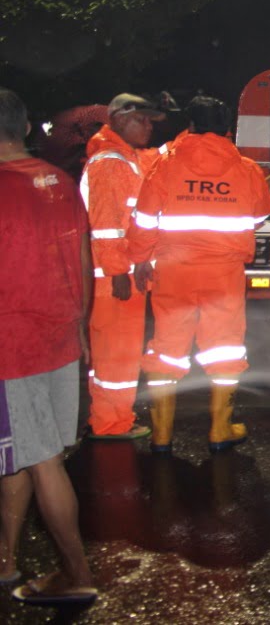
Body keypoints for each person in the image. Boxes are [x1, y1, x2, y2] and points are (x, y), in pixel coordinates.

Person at [127, 96, 270, 454]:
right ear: (228, 130)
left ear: (190, 126)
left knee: (166, 349)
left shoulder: (165, 166)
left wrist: (140, 260)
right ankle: (220, 430)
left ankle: (162, 436)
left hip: (173, 271)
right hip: (224, 273)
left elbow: (144, 219)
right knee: (224, 348)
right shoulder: (246, 169)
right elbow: (261, 214)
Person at [0, 87, 98, 606]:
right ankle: (7, 560)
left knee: (42, 461)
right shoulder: (58, 181)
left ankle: (76, 574)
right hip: (58, 335)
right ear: (22, 127)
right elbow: (82, 257)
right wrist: (81, 326)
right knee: (26, 451)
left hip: (13, 345)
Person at [81, 94, 167, 440]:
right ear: (117, 119)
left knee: (116, 355)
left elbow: (156, 159)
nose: (148, 127)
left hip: (122, 275)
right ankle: (109, 424)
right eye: (141, 120)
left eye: (150, 121)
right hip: (113, 280)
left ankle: (112, 418)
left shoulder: (126, 159)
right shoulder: (110, 164)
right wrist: (118, 272)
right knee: (114, 356)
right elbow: (105, 226)